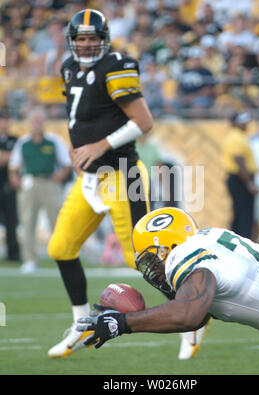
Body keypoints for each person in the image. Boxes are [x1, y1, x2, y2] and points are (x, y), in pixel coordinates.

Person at [46, 8, 153, 359]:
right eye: (82, 39)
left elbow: (143, 121)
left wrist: (99, 146)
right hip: (91, 177)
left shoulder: (116, 65)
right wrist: (78, 150)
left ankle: (193, 313)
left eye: (93, 39)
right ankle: (80, 325)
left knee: (141, 257)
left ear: (104, 40)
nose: (88, 45)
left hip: (122, 172)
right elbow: (76, 118)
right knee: (61, 247)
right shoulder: (68, 68)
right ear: (72, 41)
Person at [76, 207, 259, 358]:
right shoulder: (209, 238)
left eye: (152, 258)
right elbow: (197, 318)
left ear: (169, 246)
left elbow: (187, 314)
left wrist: (122, 323)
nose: (153, 268)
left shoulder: (183, 255)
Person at [8, 106, 72, 273]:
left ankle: (62, 257)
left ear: (44, 122)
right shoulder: (23, 142)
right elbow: (14, 167)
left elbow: (66, 164)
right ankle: (29, 259)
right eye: (34, 120)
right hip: (29, 183)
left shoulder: (54, 141)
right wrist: (17, 181)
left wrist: (58, 178)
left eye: (39, 120)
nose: (37, 123)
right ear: (29, 122)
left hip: (49, 182)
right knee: (27, 222)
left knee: (57, 222)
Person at [222, 112, 258, 239]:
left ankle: (238, 239)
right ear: (236, 123)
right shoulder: (235, 137)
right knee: (244, 213)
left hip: (240, 178)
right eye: (242, 122)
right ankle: (243, 239)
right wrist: (249, 183)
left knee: (241, 211)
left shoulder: (239, 136)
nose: (245, 124)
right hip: (240, 179)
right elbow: (239, 161)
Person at [0, 108, 20, 262]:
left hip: (8, 186)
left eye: (5, 120)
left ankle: (13, 254)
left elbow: (17, 157)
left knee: (11, 221)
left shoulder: (15, 139)